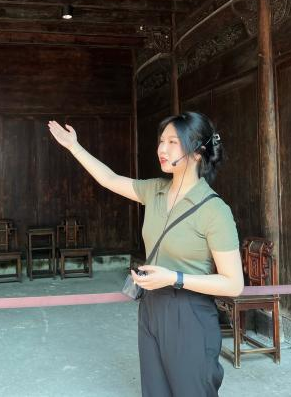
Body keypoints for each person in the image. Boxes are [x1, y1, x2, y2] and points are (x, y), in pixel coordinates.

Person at [48, 111, 243, 397]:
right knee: (155, 391)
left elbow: (233, 284)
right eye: (161, 141)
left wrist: (174, 278)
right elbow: (109, 179)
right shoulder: (155, 190)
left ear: (197, 152)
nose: (162, 149)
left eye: (173, 142)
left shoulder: (214, 210)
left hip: (190, 313)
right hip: (151, 307)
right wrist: (73, 146)